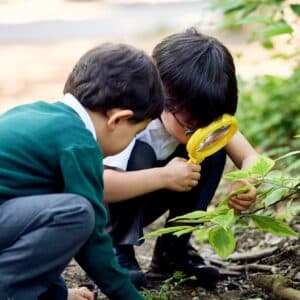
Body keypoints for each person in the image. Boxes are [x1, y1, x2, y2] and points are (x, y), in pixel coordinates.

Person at [0, 42, 164, 300]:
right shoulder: (79, 144)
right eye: (134, 133)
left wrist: (59, 293)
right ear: (118, 119)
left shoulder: (38, 114)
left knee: (66, 213)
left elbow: (34, 241)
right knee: (77, 214)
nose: (132, 141)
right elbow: (92, 241)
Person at [103, 28, 259, 290]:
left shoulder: (200, 115)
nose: (198, 133)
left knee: (214, 150)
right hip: (109, 208)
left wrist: (246, 182)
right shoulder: (133, 118)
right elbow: (101, 185)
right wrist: (164, 176)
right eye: (190, 127)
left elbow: (251, 156)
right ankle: (117, 250)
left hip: (154, 192)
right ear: (162, 100)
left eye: (207, 125)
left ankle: (172, 252)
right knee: (142, 153)